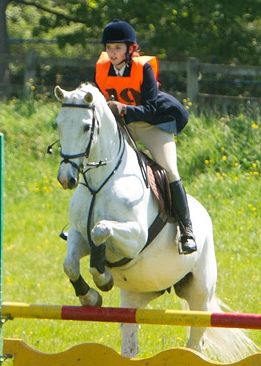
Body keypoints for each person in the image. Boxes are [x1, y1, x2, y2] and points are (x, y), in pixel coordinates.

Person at [94, 19, 196, 254]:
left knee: (169, 169)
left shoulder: (143, 68)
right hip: (123, 127)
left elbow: (150, 109)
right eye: (109, 47)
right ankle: (86, 222)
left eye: (118, 48)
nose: (112, 53)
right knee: (98, 163)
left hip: (152, 124)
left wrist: (124, 109)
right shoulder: (102, 68)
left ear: (131, 49)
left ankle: (186, 230)